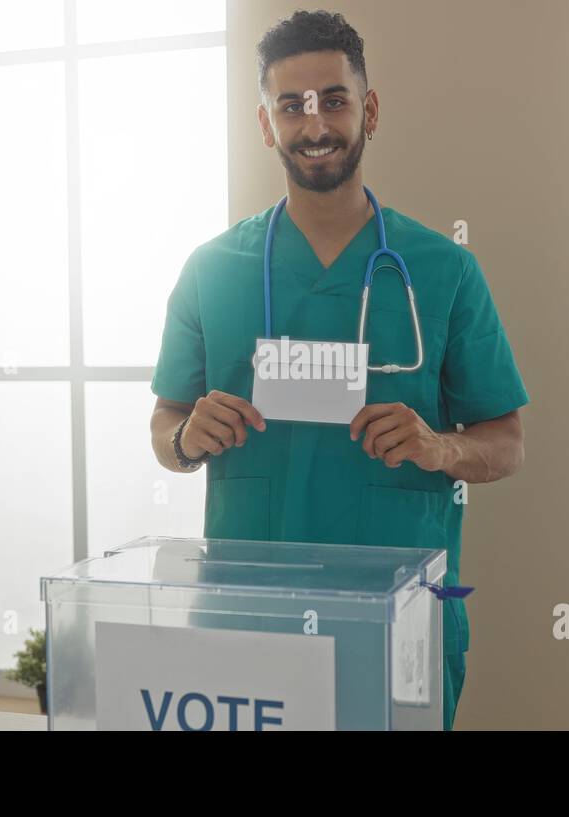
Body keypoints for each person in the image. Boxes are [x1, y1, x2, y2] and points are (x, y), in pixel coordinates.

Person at [149, 10, 529, 731]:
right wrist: (185, 438)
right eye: (290, 105)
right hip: (249, 622)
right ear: (266, 124)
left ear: (369, 109)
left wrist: (440, 447)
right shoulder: (210, 272)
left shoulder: (444, 270)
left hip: (396, 623)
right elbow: (164, 427)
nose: (313, 122)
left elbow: (507, 441)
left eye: (333, 98)